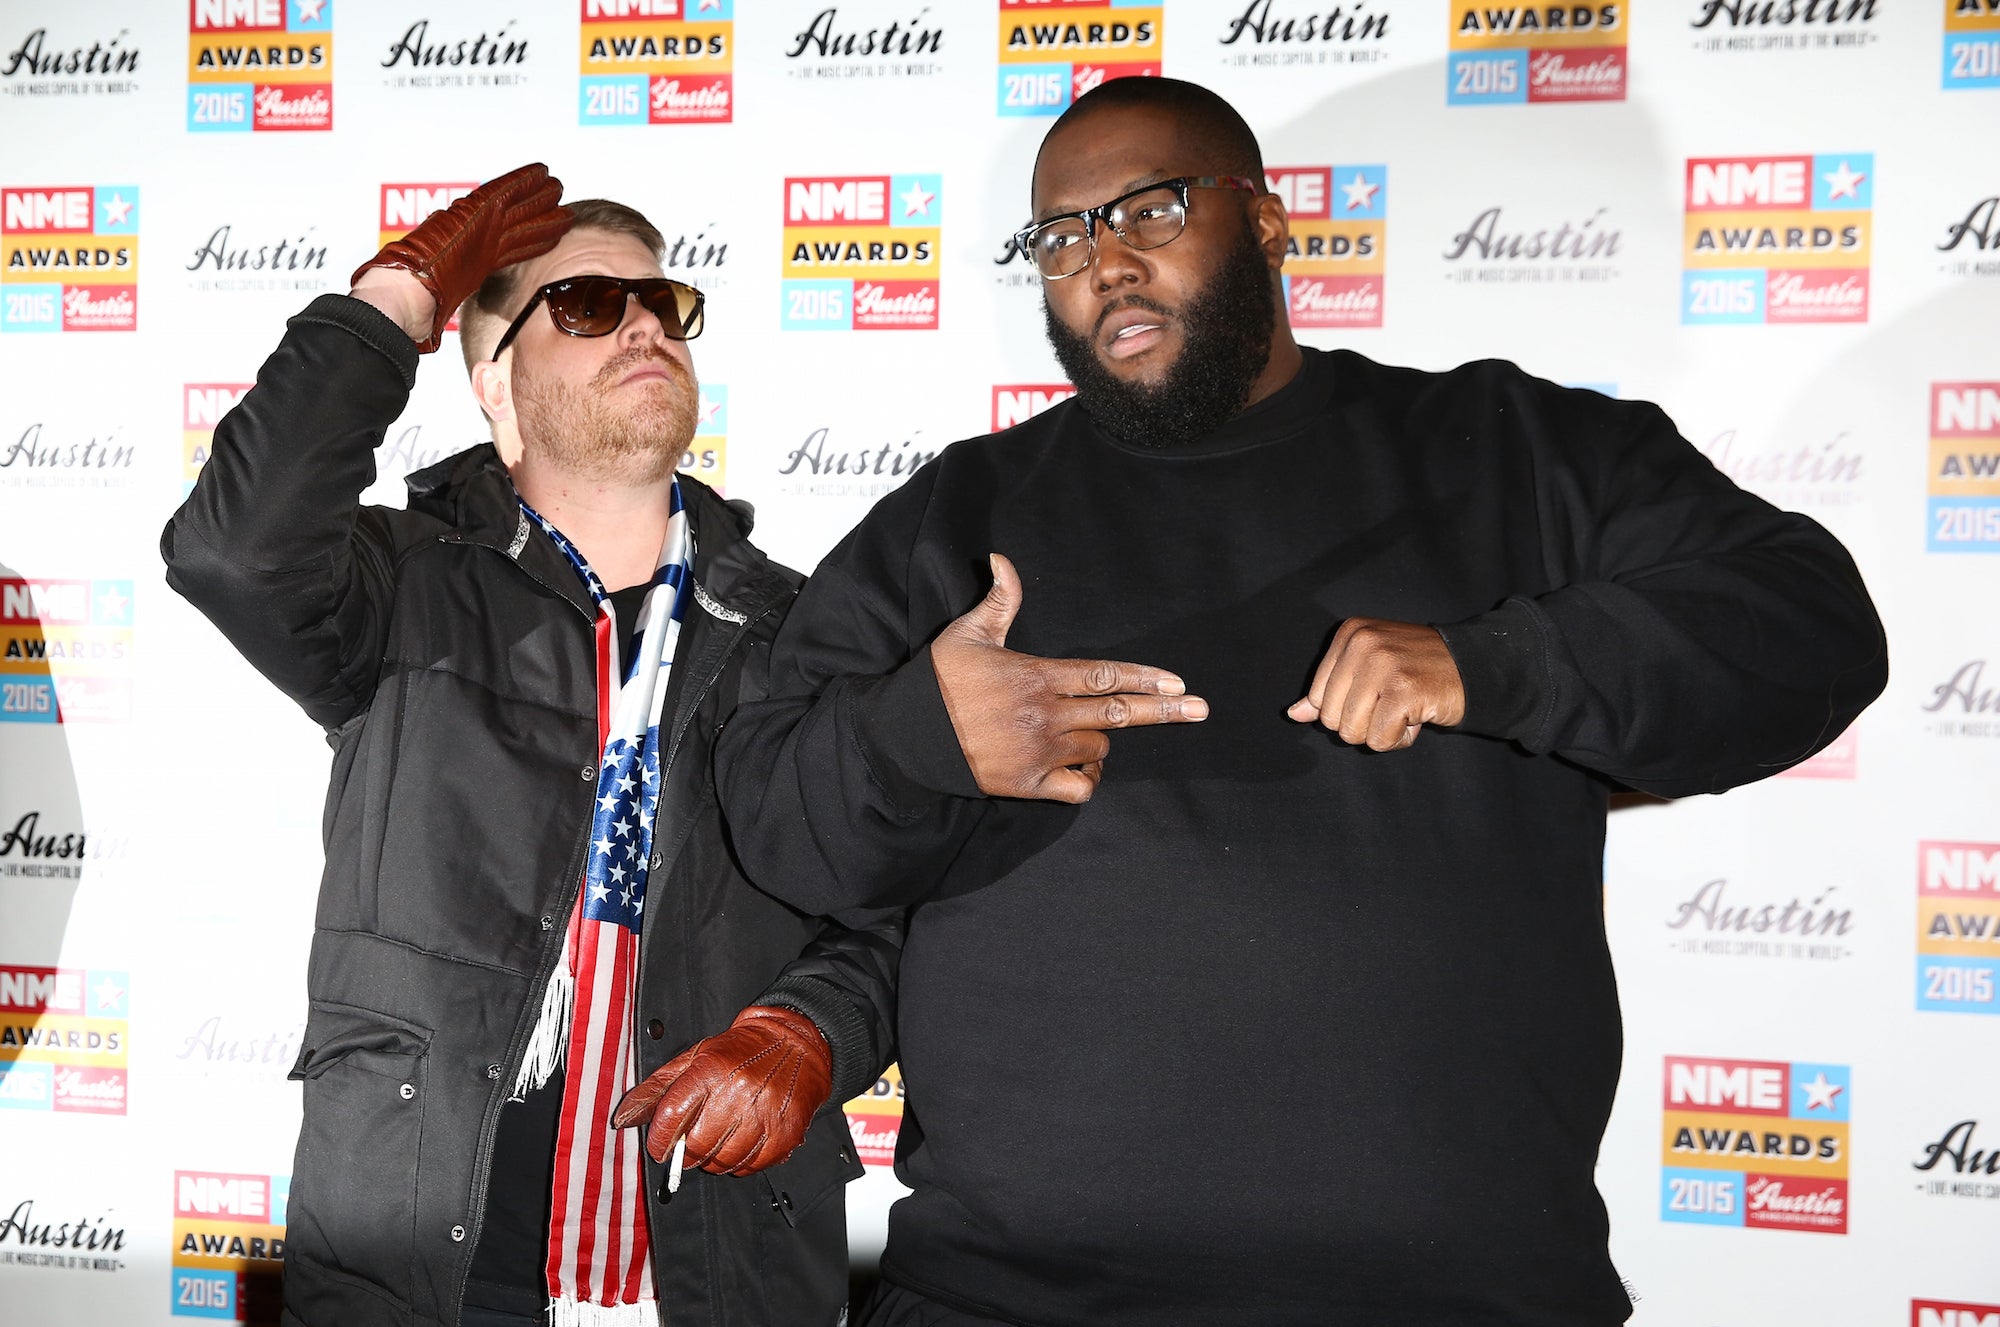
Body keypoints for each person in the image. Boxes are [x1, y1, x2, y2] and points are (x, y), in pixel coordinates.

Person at [713, 80, 1888, 1327]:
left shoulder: (1506, 449)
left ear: (1267, 225)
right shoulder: (957, 519)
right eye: (1060, 238)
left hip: (1455, 1295)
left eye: (1148, 210)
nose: (1103, 263)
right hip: (1014, 1296)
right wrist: (918, 737)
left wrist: (1497, 664)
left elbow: (1809, 628)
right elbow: (779, 826)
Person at [162, 165, 894, 1327]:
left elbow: (884, 909)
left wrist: (807, 1029)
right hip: (423, 1256)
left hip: (717, 1259)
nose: (644, 323)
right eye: (588, 305)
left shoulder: (808, 629)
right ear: (493, 389)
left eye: (663, 303)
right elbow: (230, 552)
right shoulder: (397, 587)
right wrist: (395, 300)